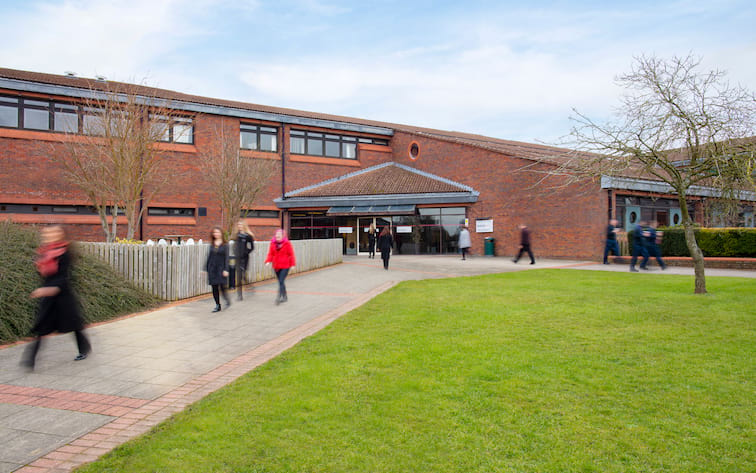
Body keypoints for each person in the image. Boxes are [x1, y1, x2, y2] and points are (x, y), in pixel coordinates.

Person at [22, 225, 91, 369]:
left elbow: (64, 278)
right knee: (42, 327)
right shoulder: (44, 252)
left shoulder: (65, 252)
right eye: (48, 233)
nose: (51, 235)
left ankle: (84, 348)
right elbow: (43, 274)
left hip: (63, 296)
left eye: (55, 232)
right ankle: (30, 360)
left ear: (61, 234)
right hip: (48, 297)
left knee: (73, 325)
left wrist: (48, 289)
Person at [265, 229, 296, 304]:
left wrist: (292, 264)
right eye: (277, 234)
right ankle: (285, 296)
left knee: (281, 281)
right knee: (280, 282)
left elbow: (291, 254)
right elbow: (270, 254)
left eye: (279, 234)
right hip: (276, 266)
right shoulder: (272, 243)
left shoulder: (287, 243)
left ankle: (279, 297)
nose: (278, 235)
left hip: (285, 266)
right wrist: (268, 261)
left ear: (282, 236)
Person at [206, 226, 231, 312]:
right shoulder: (212, 244)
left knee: (222, 286)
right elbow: (209, 257)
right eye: (214, 232)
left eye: (218, 232)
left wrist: (226, 269)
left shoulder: (225, 245)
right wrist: (205, 268)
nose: (216, 234)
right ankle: (217, 305)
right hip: (212, 269)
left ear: (221, 233)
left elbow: (227, 258)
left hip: (221, 269)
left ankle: (227, 300)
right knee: (214, 287)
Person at [235, 220, 255, 300]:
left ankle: (249, 285)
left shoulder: (248, 236)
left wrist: (246, 252)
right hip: (238, 258)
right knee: (239, 277)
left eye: (240, 225)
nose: (239, 226)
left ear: (244, 226)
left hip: (245, 258)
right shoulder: (237, 235)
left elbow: (252, 247)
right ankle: (240, 295)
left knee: (243, 275)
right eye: (238, 225)